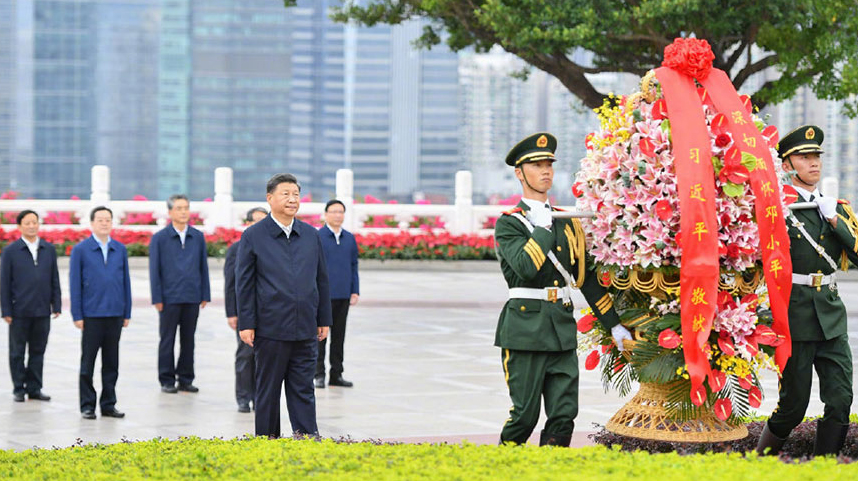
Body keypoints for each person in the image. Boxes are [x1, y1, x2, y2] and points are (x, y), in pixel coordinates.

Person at [494, 133, 631, 446]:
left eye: (549, 165)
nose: (546, 171)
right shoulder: (510, 223)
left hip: (560, 329)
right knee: (525, 415)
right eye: (537, 165)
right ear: (519, 173)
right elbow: (525, 267)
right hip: (525, 331)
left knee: (564, 413)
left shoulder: (566, 221)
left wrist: (615, 326)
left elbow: (587, 279)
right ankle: (501, 468)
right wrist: (541, 228)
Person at [756, 125, 858, 456]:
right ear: (787, 166)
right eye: (804, 157)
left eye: (816, 156)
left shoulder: (837, 208)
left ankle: (825, 467)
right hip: (793, 316)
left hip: (830, 316)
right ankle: (760, 463)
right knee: (793, 407)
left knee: (841, 398)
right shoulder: (776, 210)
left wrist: (836, 222)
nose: (813, 163)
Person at [236, 173, 332, 438]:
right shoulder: (253, 236)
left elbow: (321, 279)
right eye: (285, 194)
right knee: (268, 388)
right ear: (270, 198)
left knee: (303, 386)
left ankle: (307, 435)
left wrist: (323, 318)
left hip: (305, 327)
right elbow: (243, 284)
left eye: (296, 194)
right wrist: (247, 323)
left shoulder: (311, 235)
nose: (292, 199)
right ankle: (267, 440)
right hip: (270, 327)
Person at [69, 206, 132, 420]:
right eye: (100, 220)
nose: (105, 223)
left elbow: (126, 283)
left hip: (114, 313)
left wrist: (127, 311)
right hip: (91, 315)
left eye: (108, 220)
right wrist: (77, 314)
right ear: (92, 223)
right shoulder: (81, 250)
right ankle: (87, 405)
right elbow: (75, 284)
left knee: (111, 363)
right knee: (88, 363)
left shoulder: (119, 249)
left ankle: (108, 404)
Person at [149, 194, 211, 393]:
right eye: (179, 208)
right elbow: (154, 270)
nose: (184, 212)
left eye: (186, 208)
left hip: (192, 296)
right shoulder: (159, 238)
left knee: (188, 340)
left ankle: (185, 378)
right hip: (168, 298)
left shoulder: (197, 236)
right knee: (167, 339)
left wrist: (205, 293)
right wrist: (157, 297)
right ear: (170, 212)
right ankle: (166, 379)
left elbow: (203, 266)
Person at [1, 210, 61, 402]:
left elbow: (54, 278)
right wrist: (6, 310)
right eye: (27, 223)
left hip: (42, 310)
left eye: (34, 222)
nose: (32, 226)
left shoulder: (48, 249)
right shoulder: (11, 251)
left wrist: (56, 304)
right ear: (19, 227)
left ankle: (35, 388)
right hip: (19, 312)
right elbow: (4, 283)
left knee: (38, 351)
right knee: (17, 352)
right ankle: (19, 388)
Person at [224, 206, 268, 412]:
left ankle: (260, 397)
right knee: (245, 354)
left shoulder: (273, 247)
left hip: (269, 312)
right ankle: (243, 397)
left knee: (264, 357)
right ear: (248, 224)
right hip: (245, 311)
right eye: (256, 221)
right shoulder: (237, 249)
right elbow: (231, 284)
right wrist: (232, 312)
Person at [315, 199, 360, 389]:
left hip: (343, 295)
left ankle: (336, 374)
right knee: (320, 337)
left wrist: (355, 290)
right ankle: (318, 375)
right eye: (333, 212)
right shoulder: (318, 237)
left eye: (340, 212)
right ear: (325, 214)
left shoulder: (349, 238)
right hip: (322, 297)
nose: (337, 215)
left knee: (339, 337)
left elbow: (354, 265)